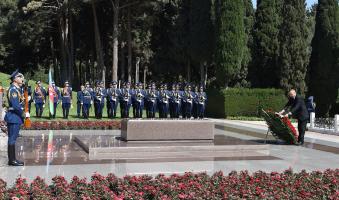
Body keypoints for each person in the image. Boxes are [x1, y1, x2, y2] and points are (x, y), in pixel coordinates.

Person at [5, 69, 28, 166]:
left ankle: (12, 159)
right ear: (15, 79)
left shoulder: (16, 89)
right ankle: (12, 160)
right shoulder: (13, 90)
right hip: (14, 117)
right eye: (19, 77)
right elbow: (15, 106)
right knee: (12, 139)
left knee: (12, 138)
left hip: (15, 117)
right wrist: (23, 114)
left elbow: (19, 102)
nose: (22, 79)